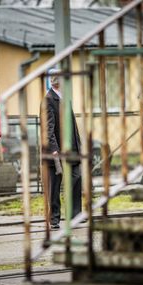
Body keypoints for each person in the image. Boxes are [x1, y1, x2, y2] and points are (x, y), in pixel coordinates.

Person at [41, 69, 82, 230]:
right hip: (56, 151)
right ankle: (54, 219)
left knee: (76, 179)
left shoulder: (65, 98)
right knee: (55, 185)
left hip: (71, 148)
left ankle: (75, 215)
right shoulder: (49, 100)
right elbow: (48, 128)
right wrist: (54, 149)